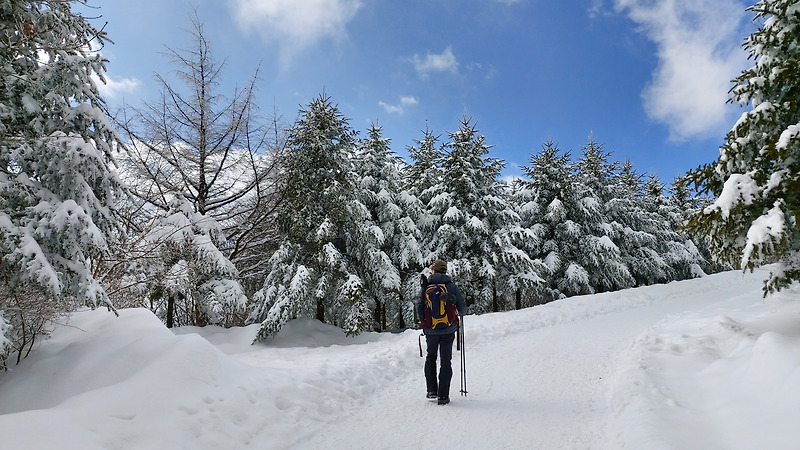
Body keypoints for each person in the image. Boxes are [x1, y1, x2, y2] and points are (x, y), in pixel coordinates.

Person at [417, 258, 467, 405]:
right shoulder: (451, 286)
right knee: (446, 362)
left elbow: (419, 305)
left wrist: (425, 321)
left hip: (431, 330)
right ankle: (443, 396)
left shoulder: (427, 285)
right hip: (447, 329)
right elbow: (463, 309)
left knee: (430, 357)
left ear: (434, 270)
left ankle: (432, 390)